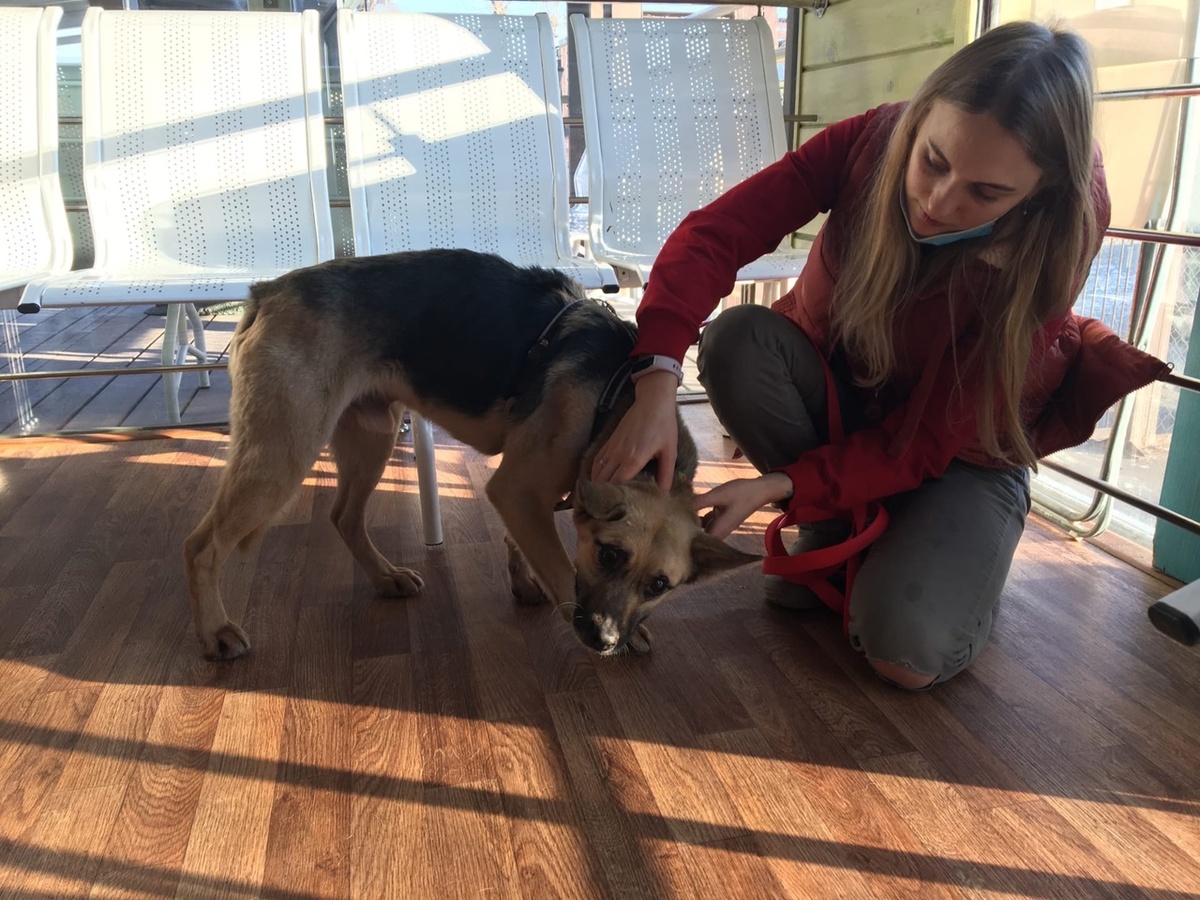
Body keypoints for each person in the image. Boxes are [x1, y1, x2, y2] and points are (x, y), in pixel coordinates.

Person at [590, 20, 1170, 690]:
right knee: (735, 341)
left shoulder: (1059, 238)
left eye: (986, 193)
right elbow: (717, 232)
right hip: (848, 400)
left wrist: (778, 485)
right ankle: (839, 526)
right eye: (933, 161)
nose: (938, 203)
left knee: (905, 653)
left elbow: (923, 443)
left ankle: (917, 552)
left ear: (1042, 192)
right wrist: (657, 378)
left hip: (957, 452)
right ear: (917, 121)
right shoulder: (869, 138)